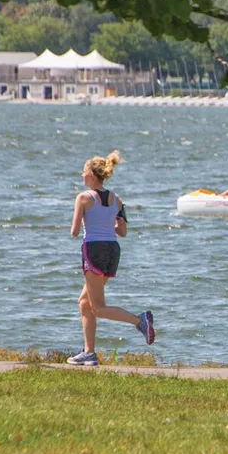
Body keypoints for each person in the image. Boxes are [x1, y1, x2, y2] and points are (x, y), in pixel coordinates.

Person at [68, 150, 154, 366]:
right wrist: (106, 223)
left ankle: (139, 320)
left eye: (84, 172)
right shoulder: (117, 199)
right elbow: (122, 231)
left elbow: (75, 231)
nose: (82, 176)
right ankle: (89, 353)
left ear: (93, 175)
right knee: (84, 303)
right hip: (112, 251)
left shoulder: (83, 197)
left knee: (97, 307)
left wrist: (89, 222)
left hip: (94, 250)